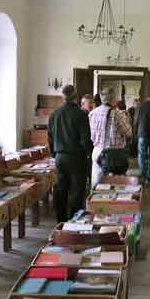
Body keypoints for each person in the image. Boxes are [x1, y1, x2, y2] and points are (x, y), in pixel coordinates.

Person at [48, 85, 92, 223]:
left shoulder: (54, 114)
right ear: (76, 97)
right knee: (77, 192)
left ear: (63, 97)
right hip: (76, 158)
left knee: (61, 191)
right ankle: (73, 223)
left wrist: (54, 155)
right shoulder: (81, 114)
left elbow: (49, 137)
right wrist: (88, 154)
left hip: (60, 157)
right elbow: (85, 139)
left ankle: (60, 222)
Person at [89, 87, 132, 188]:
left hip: (97, 151)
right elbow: (129, 132)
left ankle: (96, 202)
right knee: (115, 184)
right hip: (113, 154)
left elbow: (91, 135)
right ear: (113, 99)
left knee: (96, 182)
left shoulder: (92, 113)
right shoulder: (117, 114)